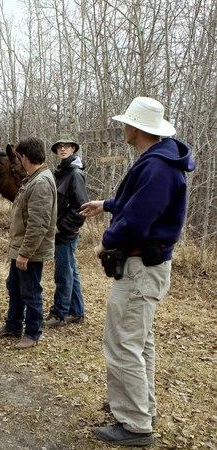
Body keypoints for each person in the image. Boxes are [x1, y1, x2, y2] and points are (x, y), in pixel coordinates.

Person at [81, 97, 196, 446]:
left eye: (125, 123)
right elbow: (138, 202)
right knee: (138, 342)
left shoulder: (158, 167)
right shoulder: (158, 162)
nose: (122, 128)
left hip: (140, 268)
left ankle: (134, 424)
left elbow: (138, 219)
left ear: (136, 128)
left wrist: (105, 241)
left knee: (123, 344)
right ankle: (139, 408)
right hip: (144, 267)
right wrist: (107, 204)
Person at [0, 137, 57, 349]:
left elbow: (38, 225)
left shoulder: (41, 183)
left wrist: (25, 254)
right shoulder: (32, 178)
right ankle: (13, 326)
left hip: (30, 251)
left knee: (30, 293)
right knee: (14, 287)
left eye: (20, 157)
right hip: (19, 248)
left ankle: (32, 334)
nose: (19, 161)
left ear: (25, 157)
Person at [45, 134, 88, 327]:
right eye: (59, 147)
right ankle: (76, 312)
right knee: (71, 271)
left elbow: (81, 208)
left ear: (73, 150)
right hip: (60, 232)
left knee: (63, 274)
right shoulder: (60, 172)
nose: (62, 149)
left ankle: (59, 314)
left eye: (67, 146)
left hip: (66, 233)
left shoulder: (75, 174)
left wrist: (61, 227)